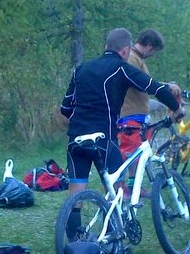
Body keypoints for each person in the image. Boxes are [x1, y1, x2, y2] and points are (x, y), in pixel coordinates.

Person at [60, 28, 182, 237]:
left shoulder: (80, 70)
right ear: (125, 51)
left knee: (76, 197)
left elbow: (65, 109)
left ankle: (73, 248)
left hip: (77, 139)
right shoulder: (122, 68)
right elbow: (156, 88)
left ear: (106, 46)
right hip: (104, 139)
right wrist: (176, 108)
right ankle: (114, 240)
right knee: (117, 191)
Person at [116, 29, 182, 196]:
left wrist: (166, 86)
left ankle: (132, 188)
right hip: (129, 115)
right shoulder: (131, 58)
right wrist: (165, 89)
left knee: (136, 159)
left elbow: (145, 81)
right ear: (150, 46)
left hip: (139, 115)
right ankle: (120, 190)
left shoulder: (137, 59)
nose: (153, 55)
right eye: (154, 51)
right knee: (129, 156)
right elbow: (139, 82)